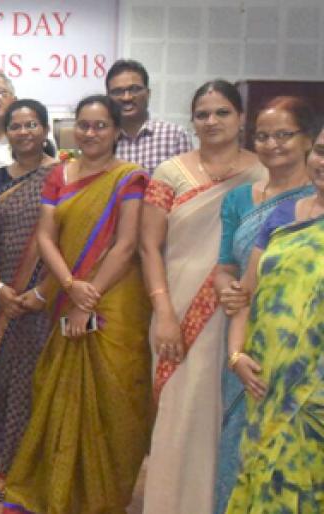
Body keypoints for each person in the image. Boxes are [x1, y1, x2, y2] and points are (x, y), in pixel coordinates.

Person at [2, 95, 152, 514]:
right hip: (69, 292)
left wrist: (89, 296)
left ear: (117, 130)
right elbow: (46, 237)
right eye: (83, 125)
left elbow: (126, 246)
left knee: (114, 395)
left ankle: (103, 496)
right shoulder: (60, 175)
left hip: (116, 300)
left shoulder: (129, 178)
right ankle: (59, 488)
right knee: (60, 393)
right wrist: (70, 286)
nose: (91, 133)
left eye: (100, 125)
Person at [137, 80, 263, 514]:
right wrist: (163, 310)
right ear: (192, 120)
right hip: (174, 307)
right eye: (203, 114)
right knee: (178, 411)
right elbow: (148, 247)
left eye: (222, 112)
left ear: (241, 117)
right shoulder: (171, 172)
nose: (211, 121)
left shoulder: (264, 172)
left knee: (225, 410)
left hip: (240, 310)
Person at [212, 96, 316, 514]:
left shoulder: (316, 199)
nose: (272, 144)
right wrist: (228, 289)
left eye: (283, 135)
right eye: (263, 136)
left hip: (305, 353)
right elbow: (225, 267)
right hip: (245, 342)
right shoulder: (238, 200)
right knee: (239, 447)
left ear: (308, 139)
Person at [0, 99, 58, 497]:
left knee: (42, 382)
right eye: (16, 126)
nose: (24, 132)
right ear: (6, 132)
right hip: (3, 297)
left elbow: (70, 238)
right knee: (6, 384)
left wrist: (43, 291)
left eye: (32, 125)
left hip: (50, 296)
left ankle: (41, 465)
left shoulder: (64, 176)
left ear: (45, 130)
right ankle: (4, 462)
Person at [106, 59, 192, 173]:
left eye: (134, 89)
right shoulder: (103, 139)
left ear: (148, 93)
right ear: (107, 97)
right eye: (117, 92)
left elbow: (188, 186)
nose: (126, 97)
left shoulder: (175, 135)